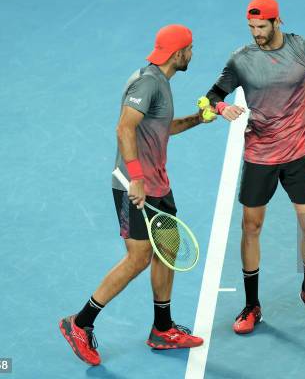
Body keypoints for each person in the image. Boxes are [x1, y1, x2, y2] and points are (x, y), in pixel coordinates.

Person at [59, 24, 210, 365]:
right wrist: (137, 179)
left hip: (159, 184)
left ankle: (162, 328)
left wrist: (198, 120)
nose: (192, 54)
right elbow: (124, 127)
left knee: (167, 251)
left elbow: (161, 127)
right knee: (139, 257)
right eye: (191, 49)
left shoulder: (161, 83)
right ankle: (79, 323)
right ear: (180, 53)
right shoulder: (148, 83)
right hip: (134, 186)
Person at [205, 0, 305, 334]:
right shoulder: (241, 60)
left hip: (299, 154)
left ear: (277, 22)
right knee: (251, 227)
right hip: (259, 156)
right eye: (251, 27)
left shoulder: (302, 49)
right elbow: (212, 97)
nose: (256, 34)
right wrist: (221, 110)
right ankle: (252, 305)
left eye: (261, 27)